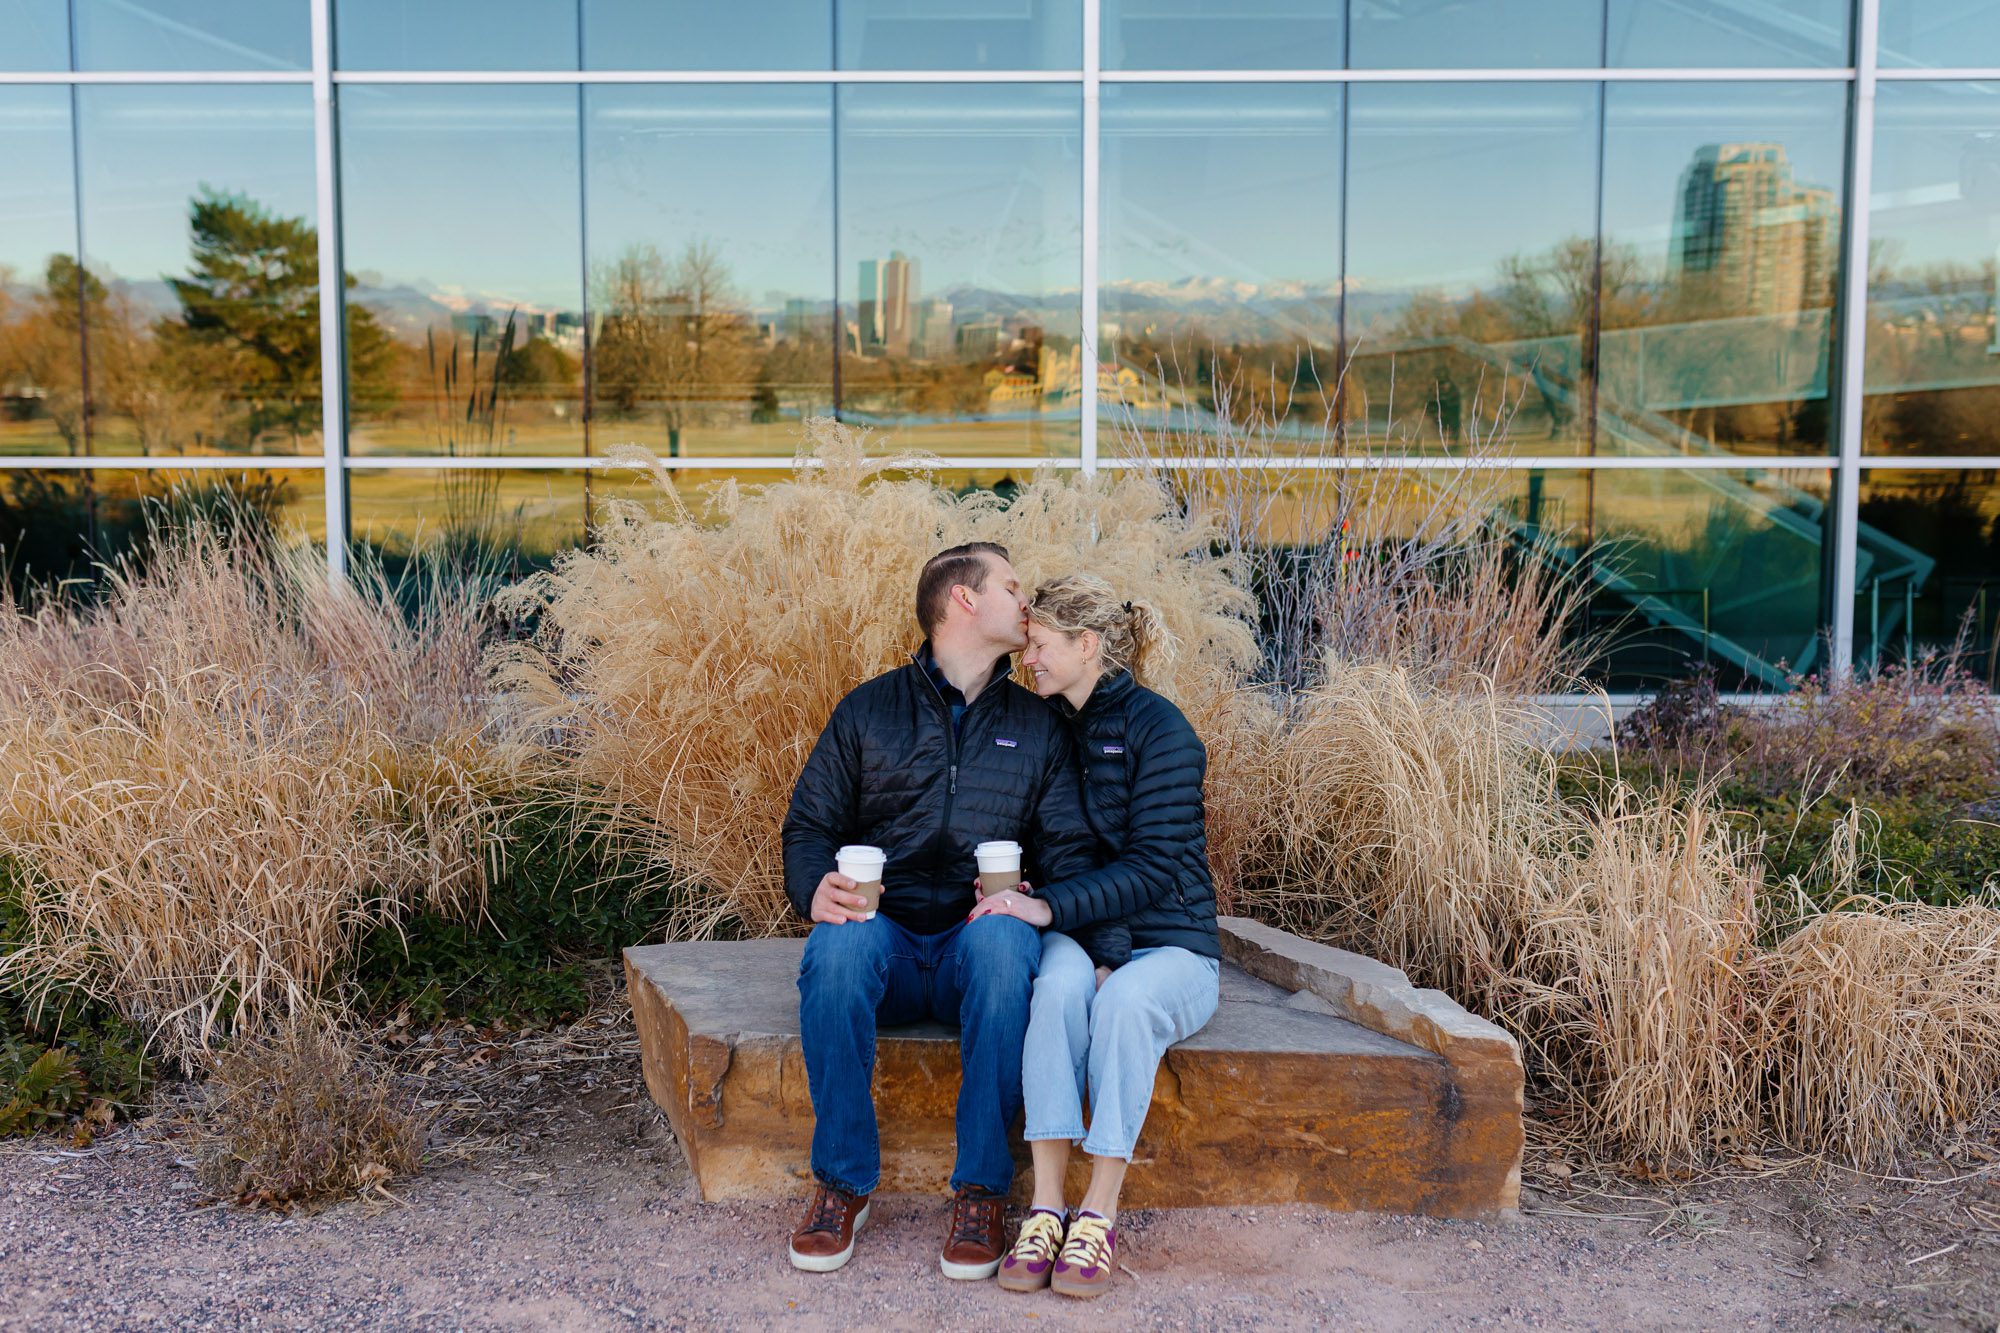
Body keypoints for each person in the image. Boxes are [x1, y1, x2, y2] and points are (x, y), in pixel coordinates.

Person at [780, 542, 1097, 1278]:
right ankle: (843, 1184)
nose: (1026, 602)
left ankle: (982, 1191)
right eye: (1011, 586)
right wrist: (813, 886)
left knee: (1004, 946)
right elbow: (809, 826)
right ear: (964, 599)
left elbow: (1070, 846)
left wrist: (1034, 898)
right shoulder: (868, 710)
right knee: (835, 949)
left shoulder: (1039, 723)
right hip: (884, 940)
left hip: (972, 945)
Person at [969, 573, 1221, 1300]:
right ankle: (1046, 1207)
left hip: (1175, 944)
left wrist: (1048, 909)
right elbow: (1064, 843)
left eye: (1040, 645)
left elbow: (1151, 867)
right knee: (1055, 993)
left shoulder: (1163, 732)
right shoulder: (1049, 726)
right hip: (1084, 933)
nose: (1028, 660)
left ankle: (1098, 1212)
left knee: (1123, 1004)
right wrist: (1034, 903)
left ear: (1087, 645)